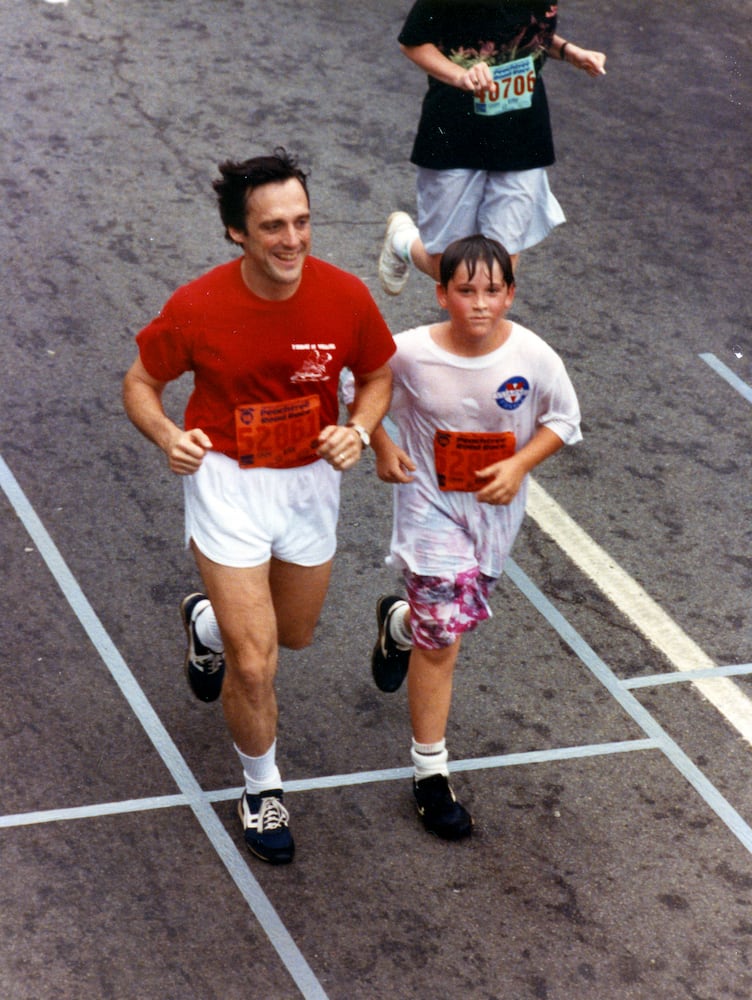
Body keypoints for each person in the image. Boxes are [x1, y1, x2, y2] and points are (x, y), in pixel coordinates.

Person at [122, 148, 395, 865]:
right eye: (273, 226)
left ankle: (203, 623)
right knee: (256, 663)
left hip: (308, 484)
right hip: (227, 482)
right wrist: (168, 436)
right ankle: (261, 786)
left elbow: (376, 376)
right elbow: (141, 383)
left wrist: (359, 430)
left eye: (302, 221)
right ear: (237, 233)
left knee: (293, 634)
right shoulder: (198, 306)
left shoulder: (345, 297)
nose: (293, 240)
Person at [369, 234, 581, 839]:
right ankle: (430, 775)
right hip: (428, 510)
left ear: (511, 294)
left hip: (492, 519)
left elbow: (563, 418)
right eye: (466, 290)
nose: (480, 303)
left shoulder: (534, 357)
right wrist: (381, 444)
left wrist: (518, 465)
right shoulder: (407, 352)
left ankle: (399, 625)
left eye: (493, 290)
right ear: (441, 293)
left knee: (443, 623)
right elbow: (354, 390)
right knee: (444, 644)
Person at [378, 0, 607, 294]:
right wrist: (461, 76)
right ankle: (402, 241)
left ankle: (475, 339)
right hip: (455, 129)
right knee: (451, 270)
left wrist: (568, 51)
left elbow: (529, 31)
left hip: (522, 132)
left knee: (498, 272)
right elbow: (413, 42)